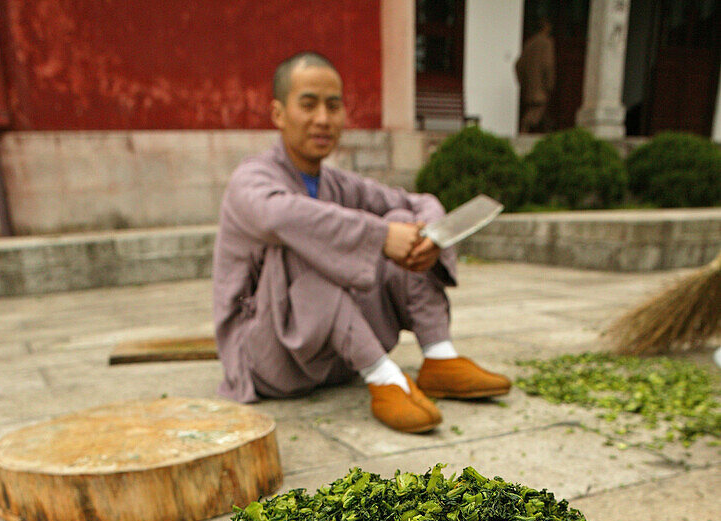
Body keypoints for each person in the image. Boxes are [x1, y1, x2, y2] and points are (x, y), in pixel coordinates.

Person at [213, 51, 510, 433]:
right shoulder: (250, 180)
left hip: (332, 357)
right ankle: (384, 377)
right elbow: (281, 216)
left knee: (406, 221)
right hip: (269, 359)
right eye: (308, 104)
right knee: (303, 238)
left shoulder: (337, 183)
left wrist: (431, 235)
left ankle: (439, 356)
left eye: (333, 106)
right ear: (278, 114)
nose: (323, 118)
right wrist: (381, 237)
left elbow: (419, 203)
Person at [515, 19, 555, 133]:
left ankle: (549, 129)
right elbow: (548, 65)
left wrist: (523, 81)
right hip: (540, 84)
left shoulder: (529, 43)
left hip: (530, 84)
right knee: (538, 108)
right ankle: (525, 126)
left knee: (542, 110)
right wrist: (550, 83)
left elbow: (518, 65)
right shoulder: (546, 42)